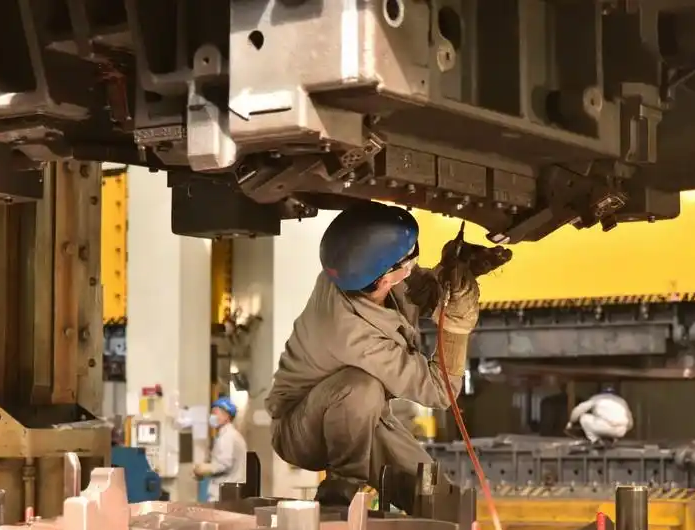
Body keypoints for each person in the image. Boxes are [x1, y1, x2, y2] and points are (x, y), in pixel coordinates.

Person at [266, 201, 480, 511]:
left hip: (355, 416)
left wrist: (453, 274)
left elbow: (411, 291)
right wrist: (457, 328)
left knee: (440, 502)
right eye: (410, 257)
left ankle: (445, 529)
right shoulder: (353, 335)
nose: (415, 261)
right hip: (301, 431)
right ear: (384, 278)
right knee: (361, 387)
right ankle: (340, 495)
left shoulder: (352, 277)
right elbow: (439, 391)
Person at [193, 396, 249, 501]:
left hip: (224, 494)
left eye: (215, 413)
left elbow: (223, 464)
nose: (212, 416)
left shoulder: (227, 436)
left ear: (226, 416)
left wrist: (204, 469)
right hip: (229, 492)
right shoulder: (228, 435)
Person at [566, 385, 634, 446]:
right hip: (621, 431)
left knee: (584, 418)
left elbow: (579, 410)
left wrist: (571, 421)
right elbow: (630, 423)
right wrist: (623, 429)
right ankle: (612, 439)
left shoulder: (597, 398)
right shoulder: (622, 402)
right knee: (605, 423)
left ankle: (595, 440)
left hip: (603, 427)